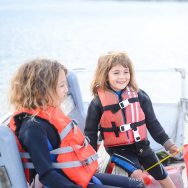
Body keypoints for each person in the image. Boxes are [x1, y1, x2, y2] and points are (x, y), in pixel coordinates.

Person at [8, 58, 145, 188]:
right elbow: (46, 175)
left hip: (79, 177)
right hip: (64, 184)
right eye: (61, 85)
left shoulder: (49, 115)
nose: (66, 90)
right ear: (42, 90)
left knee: (137, 184)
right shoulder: (32, 128)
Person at [84, 51, 180, 188]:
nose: (122, 77)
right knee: (136, 174)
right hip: (119, 150)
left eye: (126, 72)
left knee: (162, 174)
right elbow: (90, 133)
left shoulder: (140, 96)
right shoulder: (97, 103)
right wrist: (92, 159)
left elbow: (153, 124)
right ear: (105, 76)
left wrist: (168, 144)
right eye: (116, 73)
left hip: (143, 146)